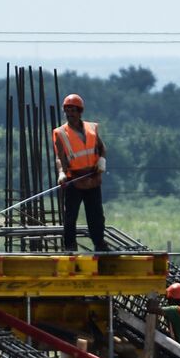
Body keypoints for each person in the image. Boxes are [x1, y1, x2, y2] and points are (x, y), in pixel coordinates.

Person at [51, 93, 108, 253]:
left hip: (92, 178)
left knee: (96, 215)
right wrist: (61, 173)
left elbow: (102, 148)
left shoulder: (91, 129)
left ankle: (99, 243)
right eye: (67, 111)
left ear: (80, 111)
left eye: (73, 110)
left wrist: (101, 162)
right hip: (74, 180)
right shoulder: (61, 133)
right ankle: (70, 247)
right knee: (70, 217)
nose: (70, 114)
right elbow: (59, 157)